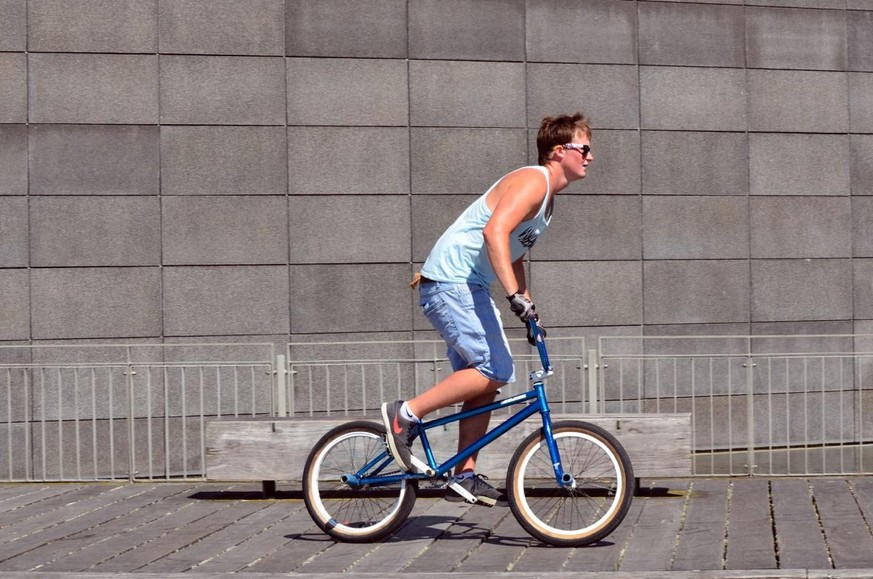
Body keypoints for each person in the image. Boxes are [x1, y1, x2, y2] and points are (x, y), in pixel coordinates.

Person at [381, 112, 593, 506]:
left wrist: (529, 307)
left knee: (487, 378)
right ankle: (404, 414)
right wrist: (513, 298)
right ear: (559, 151)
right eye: (585, 148)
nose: (590, 157)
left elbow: (512, 255)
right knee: (495, 368)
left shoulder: (547, 201)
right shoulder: (534, 180)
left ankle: (464, 474)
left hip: (466, 284)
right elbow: (493, 232)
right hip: (453, 281)